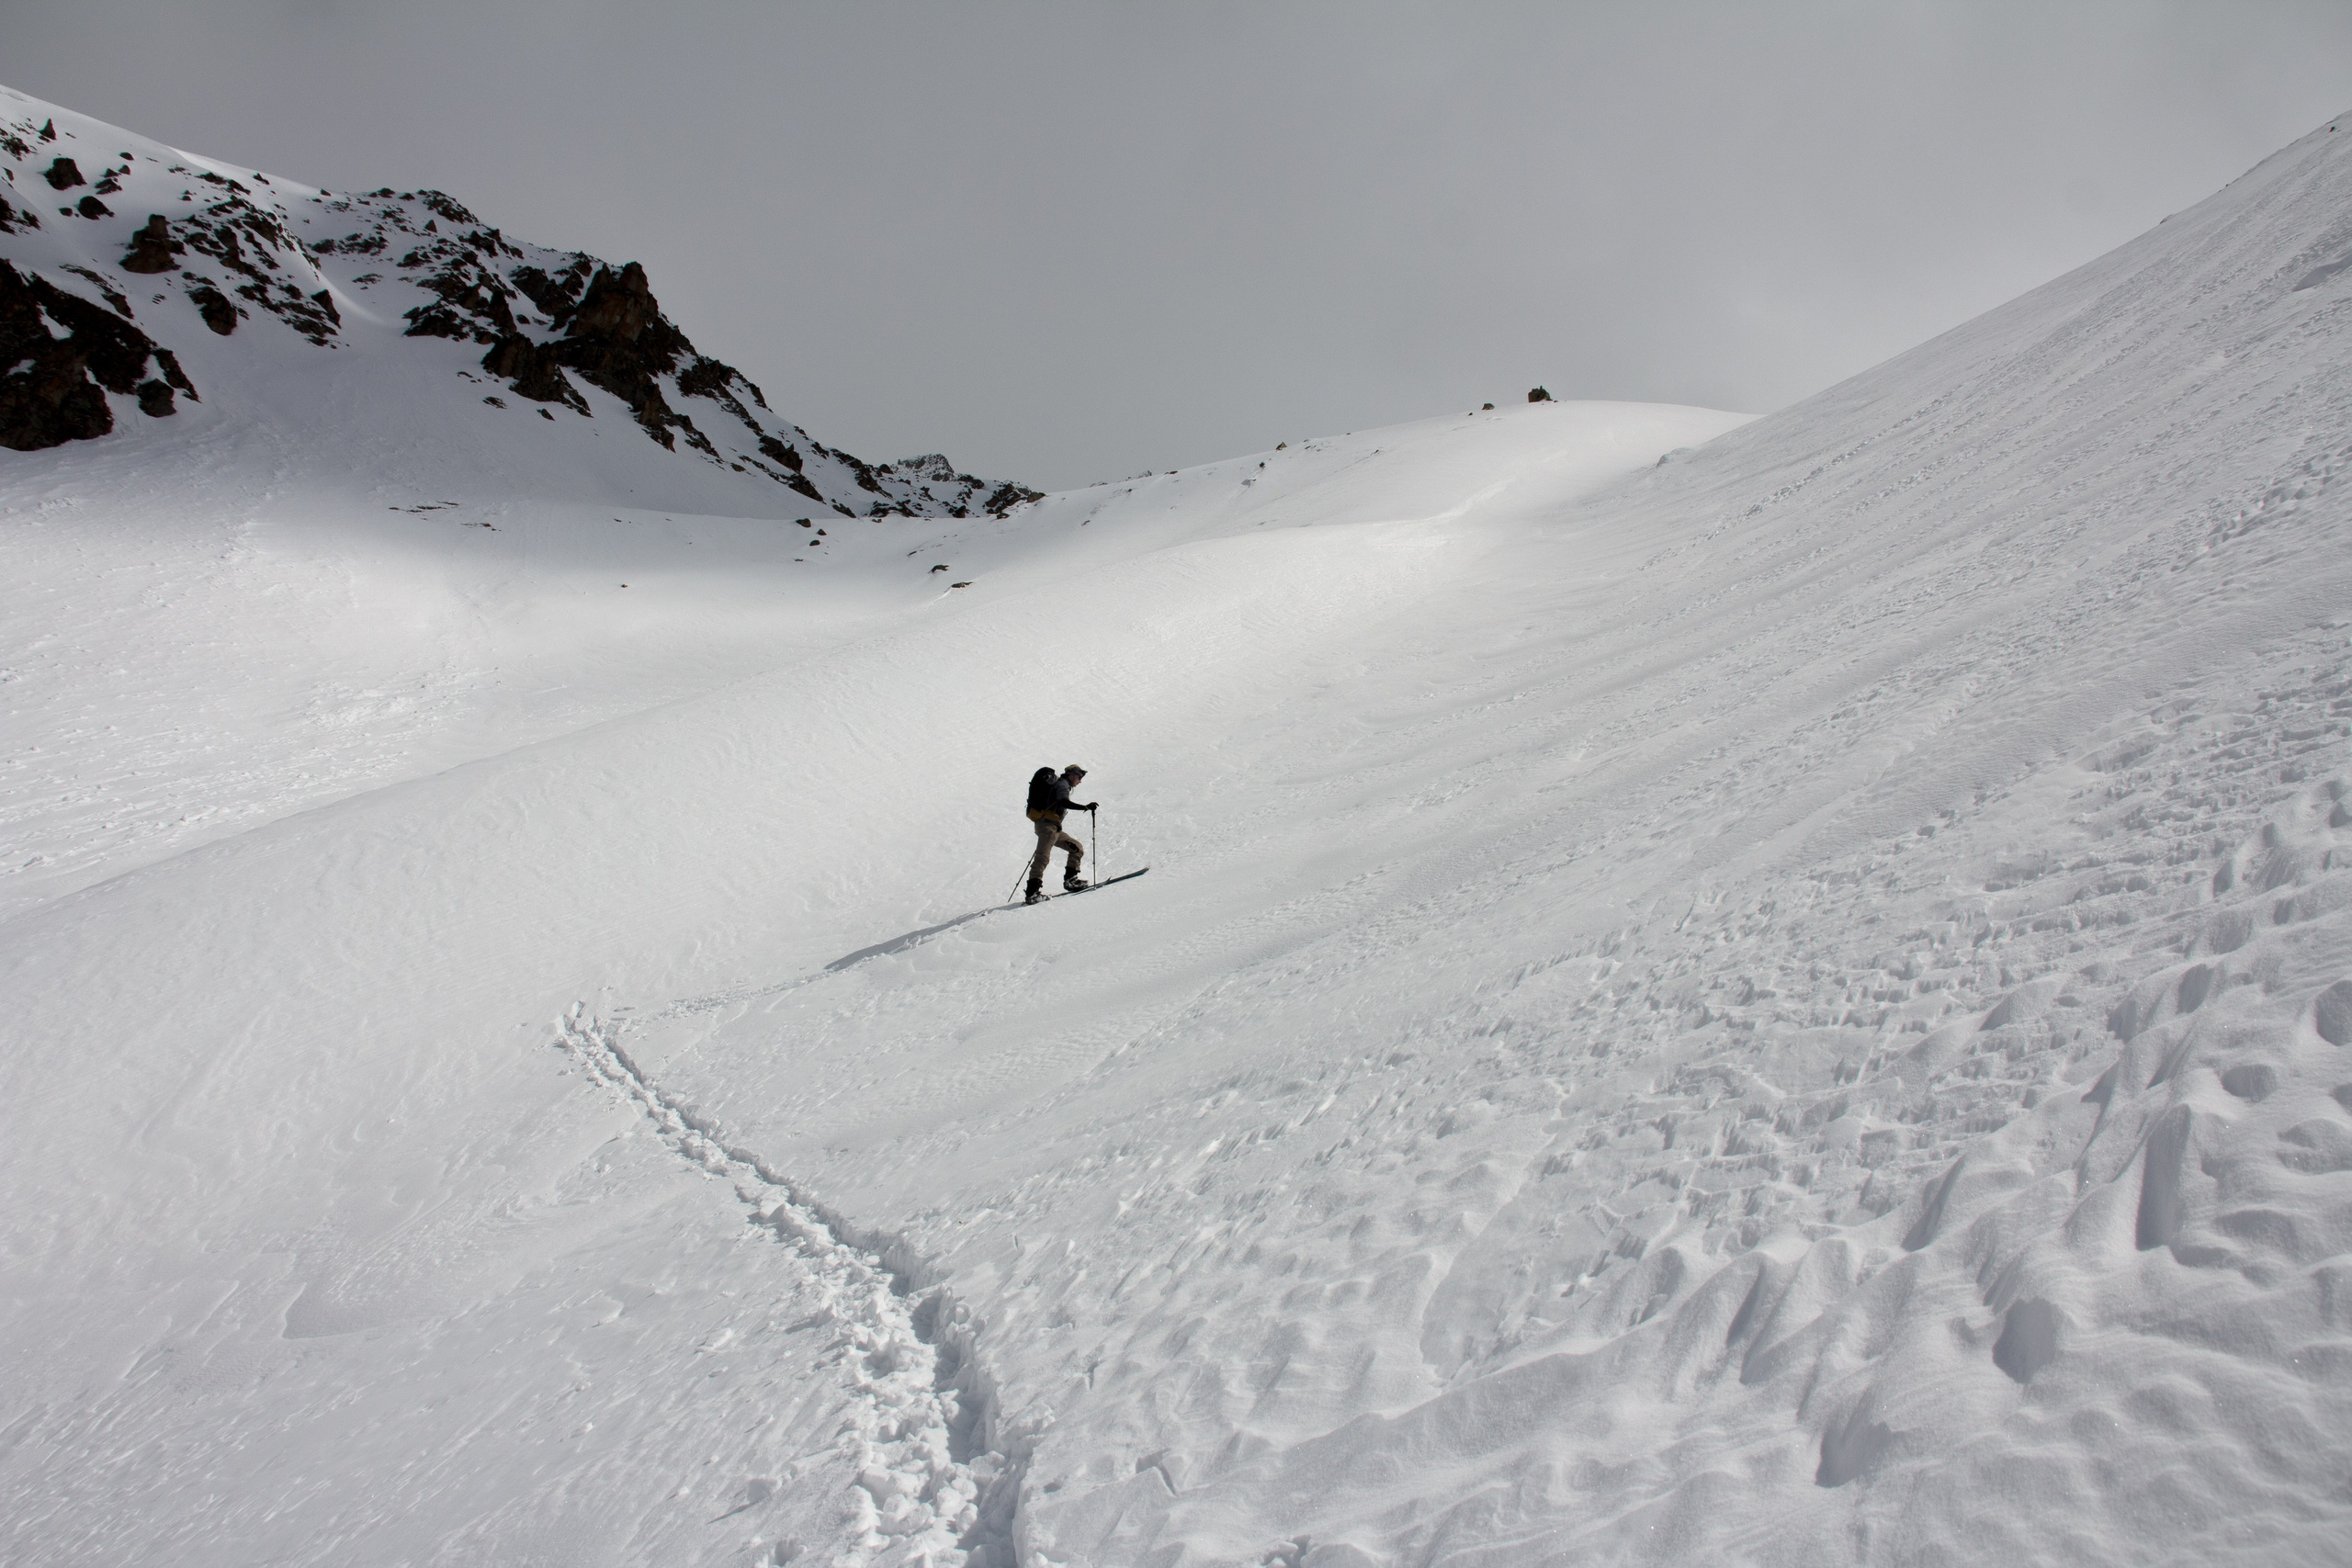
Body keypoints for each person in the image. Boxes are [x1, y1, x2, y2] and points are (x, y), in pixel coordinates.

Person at [1024, 763, 1096, 903]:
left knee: (1076, 848)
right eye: (1079, 776)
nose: (1080, 780)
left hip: (1054, 828)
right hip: (1047, 827)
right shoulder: (1062, 785)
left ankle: (1071, 880)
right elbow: (1064, 802)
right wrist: (1085, 807)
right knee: (1042, 858)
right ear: (1072, 774)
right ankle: (1032, 893)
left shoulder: (1062, 785)